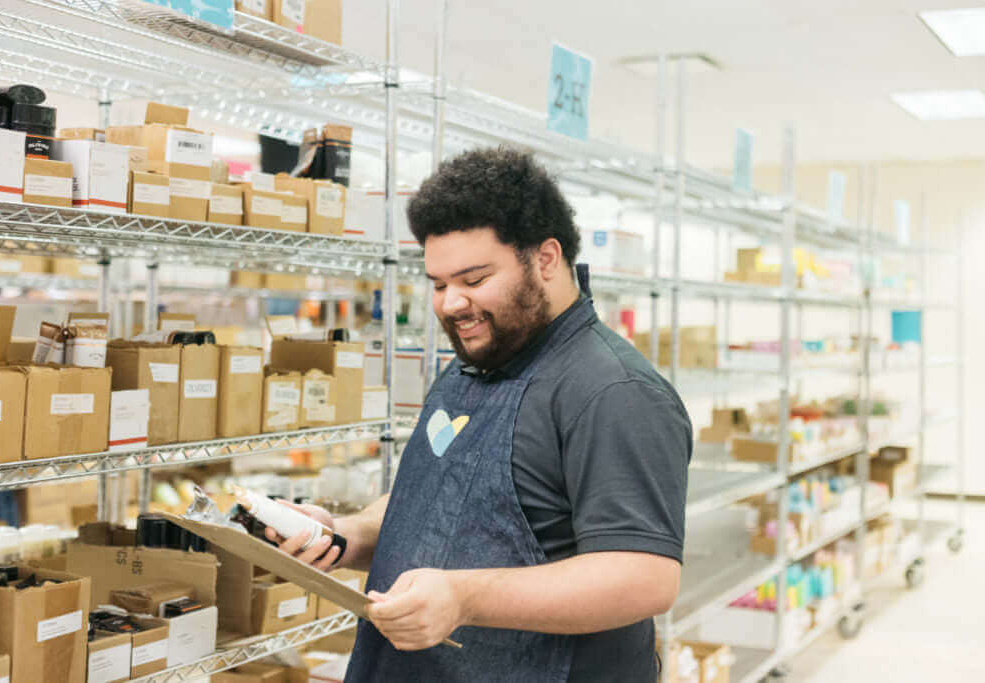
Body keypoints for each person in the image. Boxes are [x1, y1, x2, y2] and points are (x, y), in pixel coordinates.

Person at [270, 147, 692, 682]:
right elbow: (443, 501)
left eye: (473, 280)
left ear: (544, 260)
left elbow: (644, 577)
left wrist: (463, 597)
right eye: (439, 284)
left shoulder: (612, 391)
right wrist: (344, 535)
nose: (450, 304)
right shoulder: (477, 362)